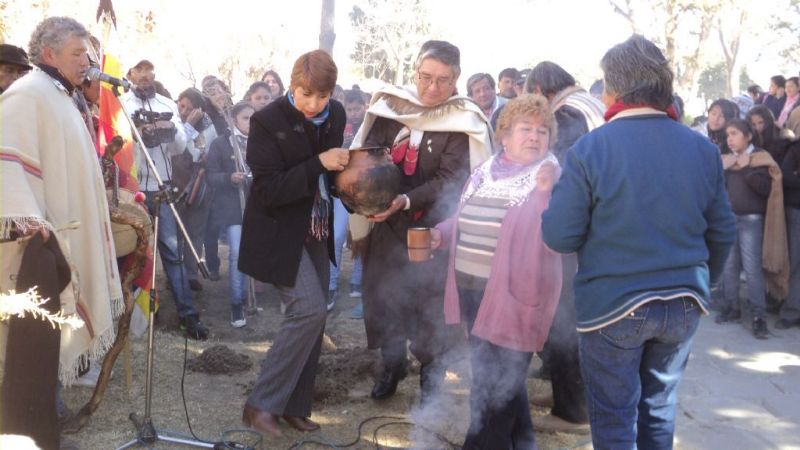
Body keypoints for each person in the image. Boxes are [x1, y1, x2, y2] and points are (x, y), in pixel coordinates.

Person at [542, 35, 736, 449]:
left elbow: (559, 235)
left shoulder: (590, 149)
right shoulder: (701, 148)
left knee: (614, 423)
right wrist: (704, 283)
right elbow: (722, 231)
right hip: (683, 300)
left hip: (613, 305)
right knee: (660, 410)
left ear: (615, 89)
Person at [0, 17, 123, 448]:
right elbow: (5, 159)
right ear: (49, 54)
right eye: (77, 53)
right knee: (26, 349)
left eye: (88, 53)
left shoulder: (60, 96)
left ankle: (38, 430)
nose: (87, 61)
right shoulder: (27, 94)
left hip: (57, 240)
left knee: (42, 347)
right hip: (36, 249)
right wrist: (28, 216)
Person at [350, 40, 493, 402]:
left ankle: (432, 373)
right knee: (385, 297)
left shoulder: (463, 119)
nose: (432, 87)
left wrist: (406, 200)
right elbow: (369, 154)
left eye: (443, 80)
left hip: (434, 228)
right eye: (426, 77)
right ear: (415, 72)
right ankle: (392, 364)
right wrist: (370, 191)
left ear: (456, 79)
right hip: (386, 225)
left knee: (430, 304)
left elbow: (451, 179)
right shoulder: (390, 108)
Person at [431, 94, 562, 449]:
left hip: (516, 298)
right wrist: (441, 234)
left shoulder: (551, 178)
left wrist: (546, 194)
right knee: (499, 378)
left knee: (494, 387)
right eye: (526, 128)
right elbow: (465, 217)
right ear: (504, 135)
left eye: (542, 131)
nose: (534, 136)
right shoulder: (486, 172)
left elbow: (558, 237)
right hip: (473, 291)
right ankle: (523, 443)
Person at [239, 50, 347, 437]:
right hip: (276, 230)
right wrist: (320, 162)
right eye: (305, 94)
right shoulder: (266, 121)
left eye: (322, 96)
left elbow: (332, 175)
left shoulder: (336, 114)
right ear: (291, 85)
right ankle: (259, 405)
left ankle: (294, 406)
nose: (313, 104)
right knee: (309, 308)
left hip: (315, 226)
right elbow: (267, 190)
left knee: (316, 319)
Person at [525, 59, 606, 434]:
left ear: (541, 90)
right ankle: (566, 393)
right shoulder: (587, 103)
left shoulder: (568, 113)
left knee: (564, 320)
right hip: (593, 230)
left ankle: (574, 411)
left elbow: (564, 172)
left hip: (578, 235)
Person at [122, 59, 208, 339]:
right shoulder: (122, 104)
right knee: (133, 253)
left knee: (172, 253)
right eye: (139, 70)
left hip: (162, 186)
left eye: (149, 70)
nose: (144, 75)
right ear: (130, 74)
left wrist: (168, 128)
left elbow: (180, 147)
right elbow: (118, 146)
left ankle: (188, 315)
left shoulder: (167, 104)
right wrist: (139, 133)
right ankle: (134, 316)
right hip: (133, 189)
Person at [716, 119, 787, 339]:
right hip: (730, 218)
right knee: (729, 266)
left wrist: (747, 168)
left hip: (751, 221)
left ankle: (759, 316)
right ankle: (732, 308)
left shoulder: (760, 158)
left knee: (752, 268)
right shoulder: (727, 160)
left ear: (748, 136)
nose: (730, 139)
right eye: (728, 134)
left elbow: (765, 189)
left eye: (735, 134)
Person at [205, 101, 255, 328]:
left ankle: (249, 297)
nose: (251, 123)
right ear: (234, 119)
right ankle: (236, 303)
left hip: (256, 206)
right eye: (246, 118)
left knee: (252, 253)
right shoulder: (220, 144)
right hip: (232, 207)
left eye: (254, 119)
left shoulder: (261, 141)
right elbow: (210, 176)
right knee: (236, 253)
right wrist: (229, 177)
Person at [175, 87, 218, 291]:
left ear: (199, 110)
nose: (184, 112)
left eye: (189, 108)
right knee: (176, 232)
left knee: (195, 231)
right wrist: (188, 126)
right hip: (177, 184)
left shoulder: (208, 127)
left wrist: (191, 128)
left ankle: (191, 274)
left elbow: (198, 154)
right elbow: (177, 147)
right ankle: (175, 275)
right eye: (181, 106)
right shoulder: (175, 122)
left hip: (200, 187)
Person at [329, 89, 366, 314]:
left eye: (356, 109)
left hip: (364, 192)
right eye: (349, 109)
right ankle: (331, 283)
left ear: (365, 107)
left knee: (361, 235)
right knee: (337, 235)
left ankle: (357, 279)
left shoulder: (371, 127)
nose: (353, 113)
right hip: (341, 190)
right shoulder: (338, 127)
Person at [776, 139, 800, 329]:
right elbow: (785, 176)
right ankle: (791, 311)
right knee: (795, 263)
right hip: (796, 212)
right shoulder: (795, 148)